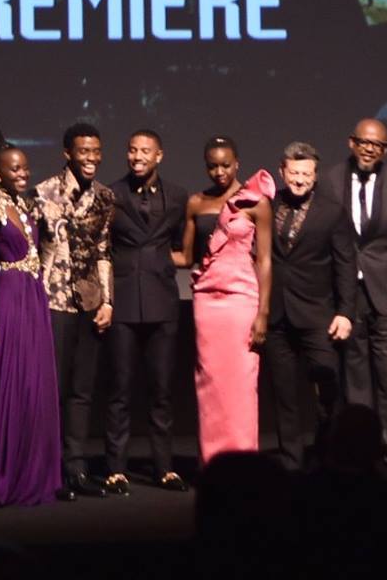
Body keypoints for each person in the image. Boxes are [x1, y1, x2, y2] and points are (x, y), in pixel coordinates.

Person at [321, 117, 387, 474]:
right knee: (355, 380)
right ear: (352, 143)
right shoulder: (330, 181)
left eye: (376, 145)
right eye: (363, 142)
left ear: (385, 150)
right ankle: (360, 455)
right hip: (347, 296)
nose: (369, 149)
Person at [0, 126, 63, 507]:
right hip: (9, 298)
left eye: (24, 168)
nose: (23, 174)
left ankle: (34, 471)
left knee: (34, 384)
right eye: (14, 169)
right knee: (11, 382)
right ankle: (3, 474)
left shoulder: (22, 205)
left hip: (32, 297)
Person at [102, 127, 190, 494]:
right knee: (120, 389)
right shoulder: (111, 194)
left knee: (161, 390)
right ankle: (116, 469)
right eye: (132, 150)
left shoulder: (178, 196)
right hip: (123, 301)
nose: (137, 157)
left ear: (159, 156)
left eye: (145, 151)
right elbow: (102, 246)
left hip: (162, 301)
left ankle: (164, 468)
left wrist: (160, 261)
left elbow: (183, 247)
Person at [179, 137, 274, 463]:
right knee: (210, 383)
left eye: (225, 165)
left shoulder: (255, 203)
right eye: (212, 166)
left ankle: (243, 463)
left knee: (241, 385)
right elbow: (186, 257)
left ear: (237, 164)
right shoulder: (196, 203)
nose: (219, 172)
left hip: (241, 301)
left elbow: (265, 260)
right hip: (207, 302)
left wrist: (263, 312)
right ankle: (213, 463)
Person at [33, 123, 116, 498]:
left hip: (89, 301)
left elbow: (103, 250)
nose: (91, 158)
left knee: (83, 389)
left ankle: (76, 467)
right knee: (54, 387)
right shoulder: (43, 193)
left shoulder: (105, 197)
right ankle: (49, 469)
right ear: (68, 153)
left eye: (96, 151)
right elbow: (34, 250)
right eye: (84, 151)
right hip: (53, 299)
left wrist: (108, 301)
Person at [262, 142, 352, 469]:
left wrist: (345, 312)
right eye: (294, 173)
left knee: (329, 388)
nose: (299, 180)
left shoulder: (332, 211)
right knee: (284, 394)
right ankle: (291, 461)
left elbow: (345, 264)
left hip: (317, 314)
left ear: (315, 176)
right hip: (277, 315)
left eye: (306, 174)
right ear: (282, 172)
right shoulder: (268, 206)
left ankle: (327, 453)